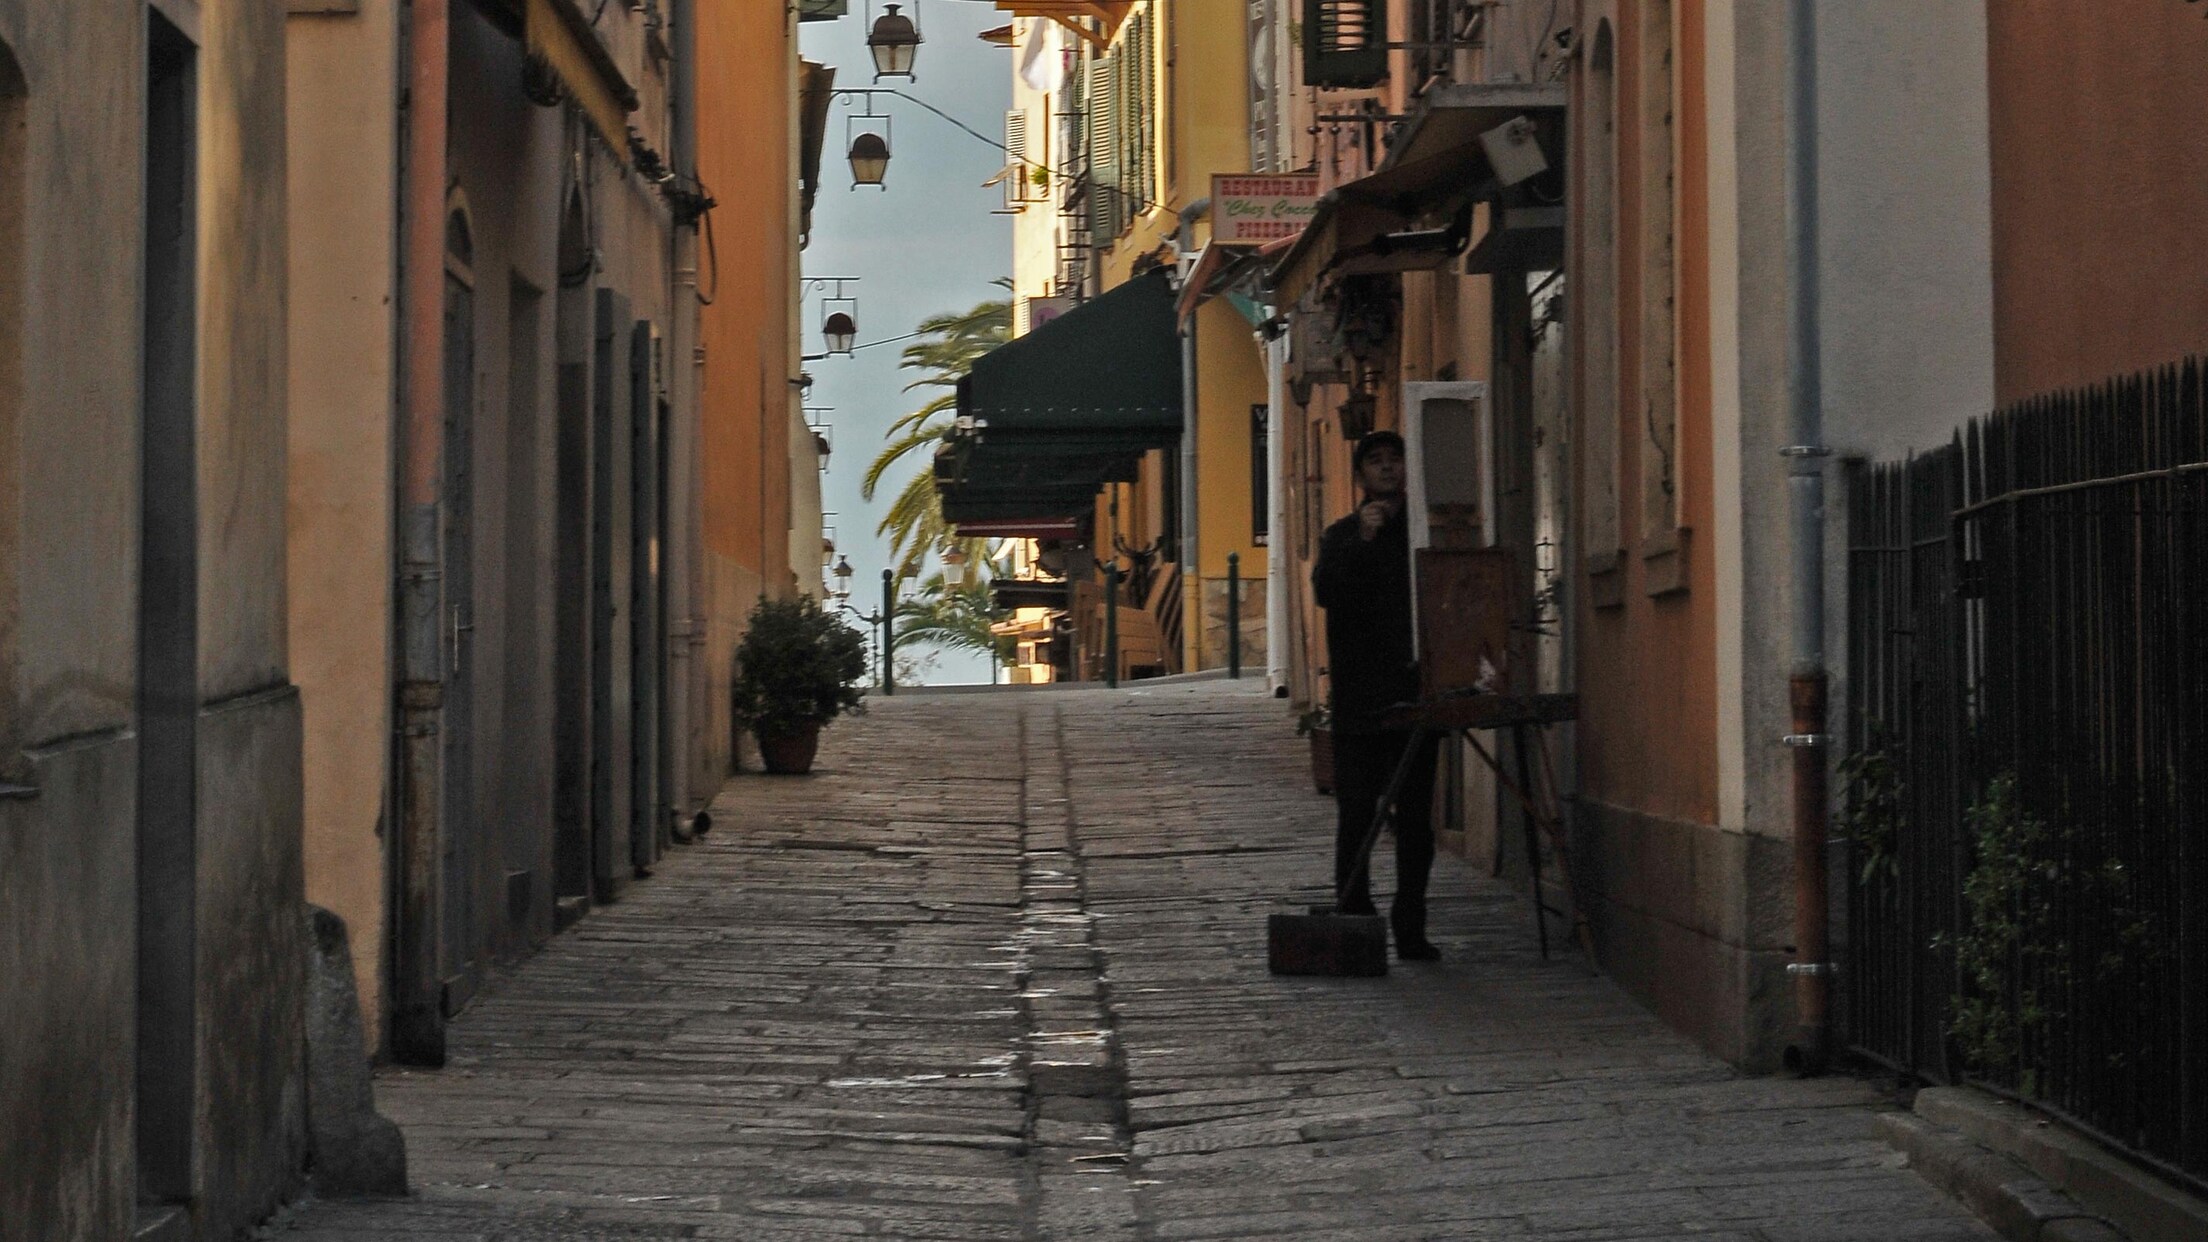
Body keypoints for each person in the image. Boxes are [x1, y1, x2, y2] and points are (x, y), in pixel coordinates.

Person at [1311, 429, 1443, 962]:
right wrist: (1360, 543)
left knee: (1415, 818)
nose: (1387, 469)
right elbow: (1326, 591)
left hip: (1414, 693)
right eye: (1376, 462)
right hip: (1360, 699)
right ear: (1361, 475)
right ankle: (1355, 918)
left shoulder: (1424, 534)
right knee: (1357, 811)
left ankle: (1410, 926)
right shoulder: (1341, 535)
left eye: (1395, 460)